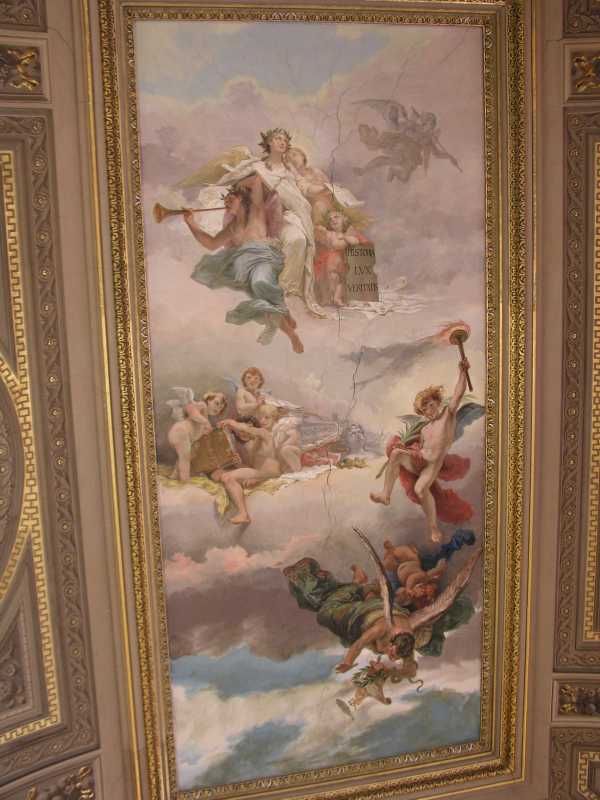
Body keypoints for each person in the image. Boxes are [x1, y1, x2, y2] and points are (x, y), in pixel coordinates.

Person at [185, 174, 304, 353]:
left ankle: (287, 321)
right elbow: (211, 244)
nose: (226, 203)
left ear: (241, 199)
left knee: (261, 283)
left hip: (263, 260)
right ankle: (291, 332)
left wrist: (237, 187)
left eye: (230, 199)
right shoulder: (232, 228)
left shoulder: (256, 212)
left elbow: (256, 180)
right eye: (225, 201)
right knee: (264, 303)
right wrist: (191, 223)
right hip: (244, 272)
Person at [216, 129, 323, 316]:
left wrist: (324, 189)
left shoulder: (289, 170)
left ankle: (287, 292)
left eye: (285, 140)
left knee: (298, 239)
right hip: (262, 219)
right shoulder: (258, 167)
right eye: (278, 139)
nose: (282, 142)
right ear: (268, 143)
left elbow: (303, 187)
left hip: (288, 217)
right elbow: (236, 185)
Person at [370, 358, 472, 542]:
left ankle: (433, 528)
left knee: (420, 489)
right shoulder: (425, 429)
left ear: (438, 402)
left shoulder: (447, 416)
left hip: (432, 465)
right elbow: (420, 448)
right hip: (419, 458)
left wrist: (463, 372)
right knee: (396, 453)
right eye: (425, 409)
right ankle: (385, 494)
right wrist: (406, 449)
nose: (429, 411)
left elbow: (458, 393)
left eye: (430, 405)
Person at [214, 404, 284, 525]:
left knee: (226, 477)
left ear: (275, 420)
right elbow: (253, 466)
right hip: (261, 473)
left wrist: (231, 422)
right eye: (261, 418)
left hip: (270, 473)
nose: (263, 420)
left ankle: (243, 514)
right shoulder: (254, 443)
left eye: (267, 418)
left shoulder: (265, 433)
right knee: (222, 476)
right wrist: (239, 464)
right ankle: (243, 513)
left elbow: (247, 429)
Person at [167, 391, 227, 481]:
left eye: (220, 408)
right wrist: (205, 421)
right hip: (181, 432)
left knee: (186, 455)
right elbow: (191, 410)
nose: (217, 408)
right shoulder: (202, 405)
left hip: (184, 436)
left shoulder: (205, 416)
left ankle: (175, 476)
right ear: (208, 400)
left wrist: (212, 429)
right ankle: (185, 480)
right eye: (216, 403)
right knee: (185, 458)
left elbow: (201, 431)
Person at [314, 211, 366, 307]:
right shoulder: (330, 234)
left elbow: (355, 242)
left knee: (342, 280)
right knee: (332, 278)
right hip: (331, 261)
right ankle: (328, 297)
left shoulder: (346, 235)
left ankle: (337, 298)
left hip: (344, 261)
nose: (333, 220)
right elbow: (336, 244)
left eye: (336, 217)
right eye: (330, 219)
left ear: (344, 219)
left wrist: (345, 237)